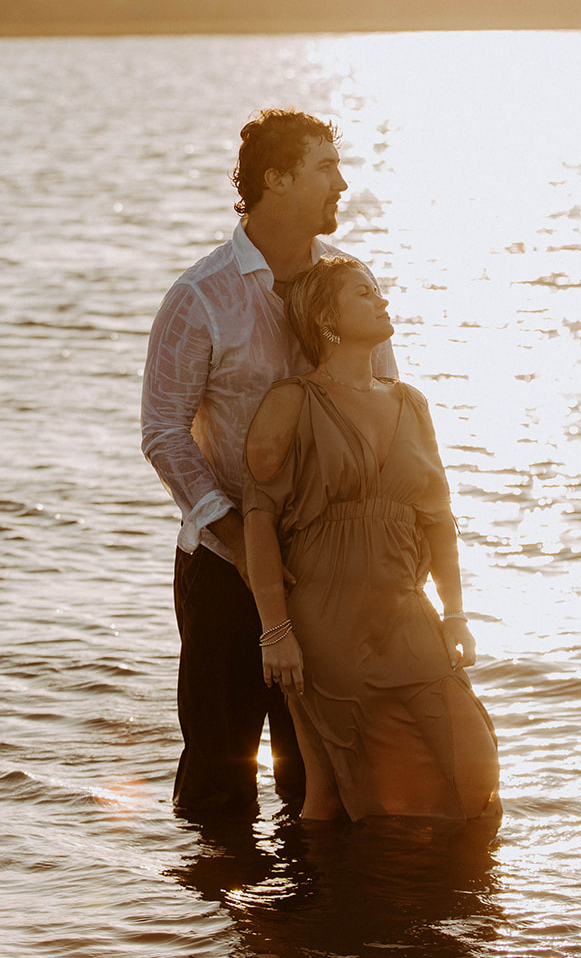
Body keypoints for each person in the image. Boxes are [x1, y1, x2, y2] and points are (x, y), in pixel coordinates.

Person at [142, 109, 397, 816]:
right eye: (324, 169)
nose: (341, 184)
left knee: (323, 781)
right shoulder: (200, 296)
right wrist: (232, 539)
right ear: (275, 180)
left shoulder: (352, 283)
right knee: (219, 786)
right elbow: (163, 431)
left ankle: (313, 922)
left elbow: (385, 409)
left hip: (332, 571)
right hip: (225, 572)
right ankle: (210, 924)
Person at [242, 255, 500, 826]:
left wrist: (455, 613)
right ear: (327, 318)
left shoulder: (411, 402)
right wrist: (276, 631)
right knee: (346, 789)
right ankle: (345, 900)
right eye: (365, 293)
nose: (382, 300)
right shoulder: (293, 401)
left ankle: (457, 903)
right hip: (327, 622)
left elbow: (438, 517)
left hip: (406, 613)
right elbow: (258, 519)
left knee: (475, 770)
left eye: (378, 290)